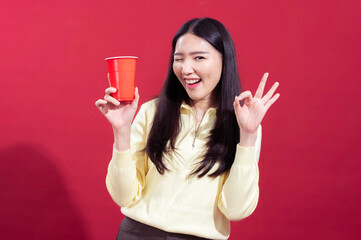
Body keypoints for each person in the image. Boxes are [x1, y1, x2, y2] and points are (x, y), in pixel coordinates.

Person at [95, 17, 280, 240]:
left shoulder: (243, 125)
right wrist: (121, 132)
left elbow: (236, 209)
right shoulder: (151, 112)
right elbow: (124, 197)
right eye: (179, 59)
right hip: (138, 233)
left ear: (224, 60)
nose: (186, 69)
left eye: (199, 58)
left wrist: (248, 136)